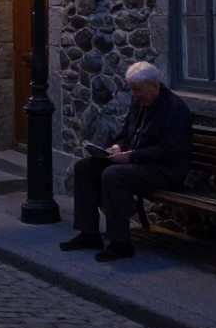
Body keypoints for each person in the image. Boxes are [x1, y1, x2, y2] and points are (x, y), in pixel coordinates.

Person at [60, 61, 192, 262]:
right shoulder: (140, 103)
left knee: (113, 175)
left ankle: (120, 242)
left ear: (154, 85)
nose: (135, 94)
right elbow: (125, 134)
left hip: (164, 171)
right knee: (85, 168)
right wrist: (118, 147)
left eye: (138, 89)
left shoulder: (175, 108)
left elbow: (169, 151)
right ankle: (89, 234)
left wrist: (132, 155)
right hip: (138, 163)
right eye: (133, 89)